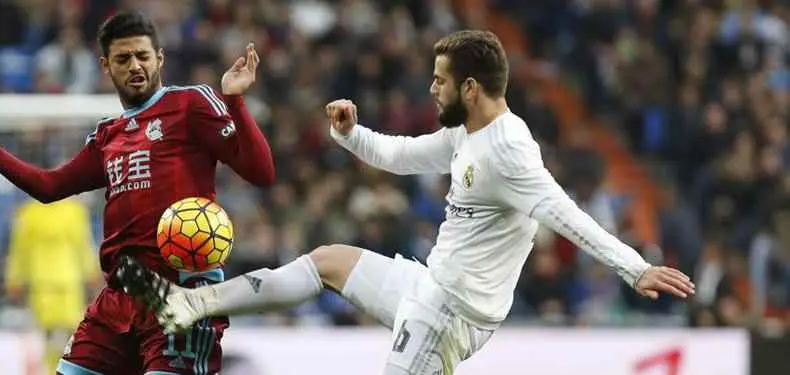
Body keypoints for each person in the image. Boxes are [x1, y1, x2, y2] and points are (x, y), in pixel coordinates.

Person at [126, 30, 696, 375]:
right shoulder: (465, 131)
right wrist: (352, 133)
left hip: (451, 314)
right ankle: (190, 306)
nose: (431, 88)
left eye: (440, 80)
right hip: (430, 287)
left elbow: (567, 214)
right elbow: (401, 155)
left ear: (470, 87)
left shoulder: (510, 151)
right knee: (327, 260)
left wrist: (636, 267)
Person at [0, 11, 275, 375]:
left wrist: (235, 101)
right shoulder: (107, 135)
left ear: (160, 57)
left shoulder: (190, 104)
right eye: (123, 59)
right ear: (106, 66)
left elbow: (262, 173)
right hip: (120, 297)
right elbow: (50, 187)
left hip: (182, 294)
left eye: (143, 55)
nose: (135, 66)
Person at [4, 196, 102, 374]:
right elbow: (84, 246)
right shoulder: (74, 212)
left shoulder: (28, 213)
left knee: (49, 337)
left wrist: (14, 279)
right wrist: (92, 274)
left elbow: (19, 251)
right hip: (68, 283)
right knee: (70, 337)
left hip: (42, 285)